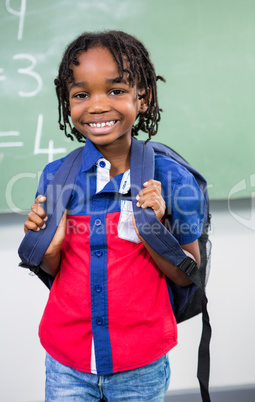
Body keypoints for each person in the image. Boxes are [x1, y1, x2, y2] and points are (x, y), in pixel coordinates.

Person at [24, 31, 205, 401]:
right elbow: (55, 268)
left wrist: (153, 230)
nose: (97, 105)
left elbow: (190, 275)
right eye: (81, 94)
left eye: (116, 90)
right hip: (67, 361)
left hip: (139, 363)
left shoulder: (171, 180)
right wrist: (49, 246)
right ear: (68, 103)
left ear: (143, 97)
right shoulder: (57, 177)